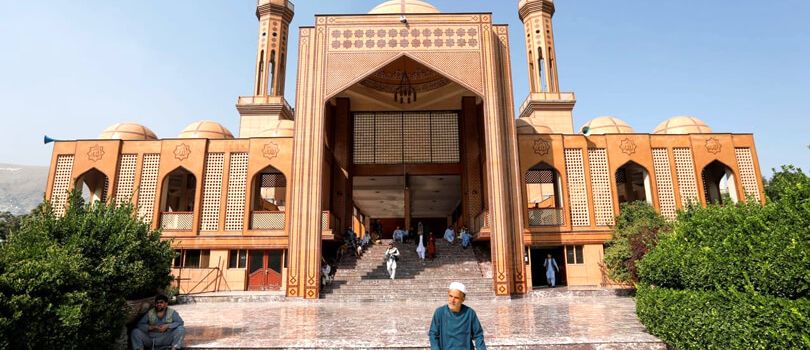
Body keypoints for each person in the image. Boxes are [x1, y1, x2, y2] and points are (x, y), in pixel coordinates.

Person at [428, 282, 486, 350]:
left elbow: (478, 335)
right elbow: (433, 334)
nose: (452, 300)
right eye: (450, 296)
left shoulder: (470, 313)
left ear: (463, 299)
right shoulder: (439, 313)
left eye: (456, 298)